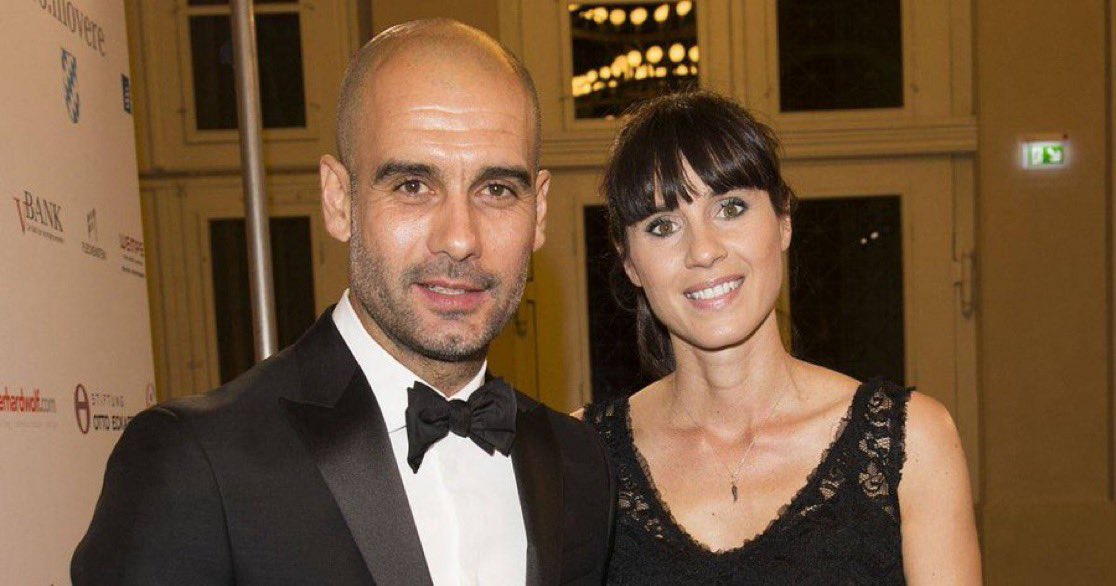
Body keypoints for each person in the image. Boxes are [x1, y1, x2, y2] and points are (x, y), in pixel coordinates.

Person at [72, 20, 613, 585]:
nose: (459, 238)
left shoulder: (578, 466)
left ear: (540, 212)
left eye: (497, 189)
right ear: (339, 199)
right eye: (412, 186)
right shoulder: (195, 464)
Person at [578, 91, 981, 584]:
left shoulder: (913, 442)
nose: (703, 251)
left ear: (783, 220)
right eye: (663, 225)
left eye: (730, 208)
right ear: (629, 262)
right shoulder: (581, 457)